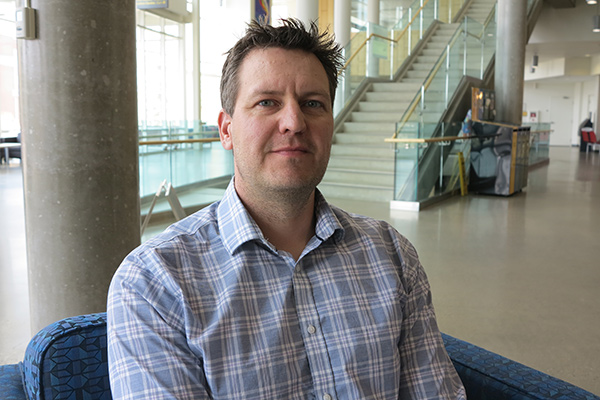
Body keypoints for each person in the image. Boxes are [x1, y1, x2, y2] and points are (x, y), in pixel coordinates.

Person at [107, 19, 466, 400]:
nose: (294, 122)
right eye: (267, 102)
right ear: (226, 130)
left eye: (313, 103)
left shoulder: (392, 255)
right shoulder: (155, 282)